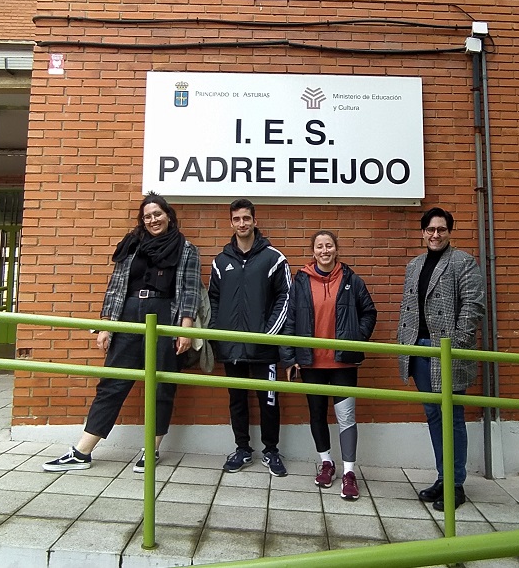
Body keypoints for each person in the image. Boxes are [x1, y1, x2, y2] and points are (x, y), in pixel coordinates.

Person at [43, 194, 201, 473]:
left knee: (162, 386)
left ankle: (151, 450)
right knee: (113, 382)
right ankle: (82, 452)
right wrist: (107, 324)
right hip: (129, 315)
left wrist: (184, 328)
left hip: (165, 316)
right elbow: (116, 287)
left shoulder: (185, 249)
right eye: (147, 216)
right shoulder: (132, 246)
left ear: (169, 216)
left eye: (158, 214)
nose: (153, 220)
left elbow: (189, 291)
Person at [397, 207, 486, 511]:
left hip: (447, 352)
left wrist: (457, 344)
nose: (436, 235)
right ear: (423, 232)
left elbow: (474, 305)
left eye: (442, 229)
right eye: (430, 229)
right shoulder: (415, 265)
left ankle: (456, 484)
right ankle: (442, 478)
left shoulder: (463, 262)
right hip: (420, 351)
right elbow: (408, 308)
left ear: (449, 232)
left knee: (452, 418)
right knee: (434, 416)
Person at [281, 231, 377, 500]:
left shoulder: (351, 280)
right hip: (311, 363)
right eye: (319, 246)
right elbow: (290, 321)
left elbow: (370, 311)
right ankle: (326, 463)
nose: (324, 250)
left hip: (343, 363)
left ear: (336, 249)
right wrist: (289, 358)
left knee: (346, 417)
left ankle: (349, 472)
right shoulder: (300, 282)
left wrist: (356, 339)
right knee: (317, 414)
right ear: (313, 252)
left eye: (329, 245)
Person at [209, 199, 292, 476]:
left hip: (263, 348)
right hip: (231, 347)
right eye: (237, 219)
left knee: (268, 400)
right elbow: (214, 299)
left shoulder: (274, 258)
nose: (242, 224)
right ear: (231, 223)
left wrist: (268, 334)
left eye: (246, 218)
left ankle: (271, 451)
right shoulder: (221, 261)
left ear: (255, 221)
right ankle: (242, 449)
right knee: (237, 400)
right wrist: (218, 334)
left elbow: (286, 297)